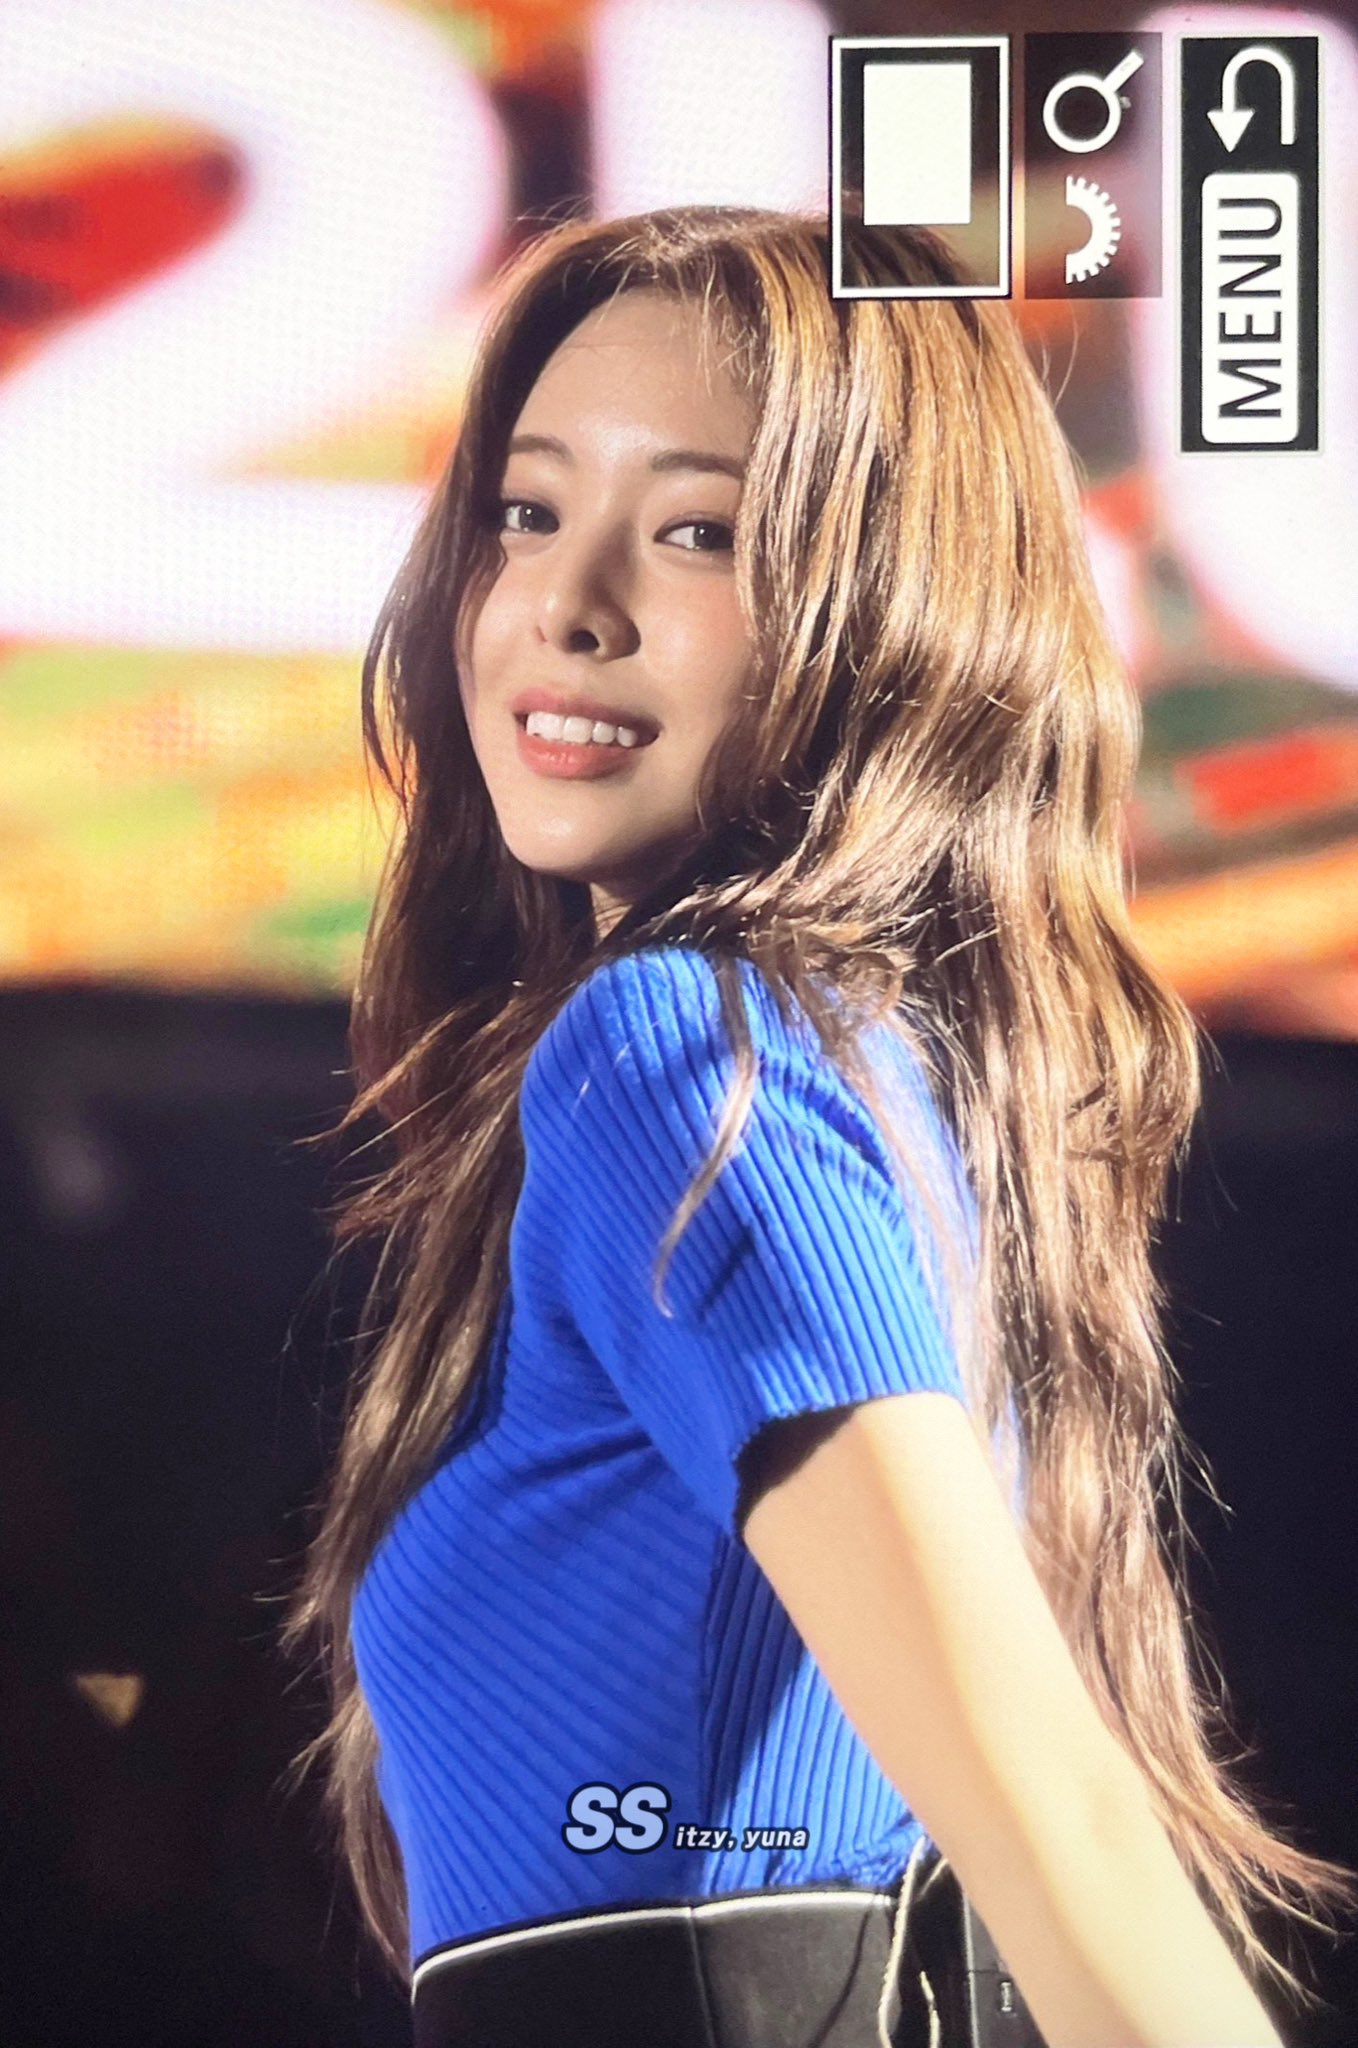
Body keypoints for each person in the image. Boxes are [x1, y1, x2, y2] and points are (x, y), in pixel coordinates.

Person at [280, 207, 1355, 2048]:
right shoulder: (886, 1088)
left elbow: (1059, 1817)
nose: (564, 603)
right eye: (525, 513)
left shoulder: (672, 1055)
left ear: (892, 609)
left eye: (697, 531)